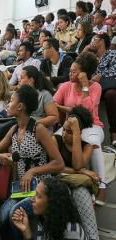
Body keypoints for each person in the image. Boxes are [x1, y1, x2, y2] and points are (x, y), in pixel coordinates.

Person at [0, 85, 64, 239]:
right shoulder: (14, 130)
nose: (8, 104)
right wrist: (3, 157)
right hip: (21, 190)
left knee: (13, 214)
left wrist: (32, 171)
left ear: (20, 106)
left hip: (40, 191)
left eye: (11, 101)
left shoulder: (39, 129)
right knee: (2, 217)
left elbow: (59, 163)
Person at [53, 51, 106, 201]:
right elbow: (54, 103)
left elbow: (86, 110)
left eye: (73, 71)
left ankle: (101, 186)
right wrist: (67, 110)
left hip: (92, 126)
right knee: (55, 139)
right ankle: (74, 173)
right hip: (68, 126)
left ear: (84, 73)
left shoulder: (95, 87)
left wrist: (84, 86)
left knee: (93, 143)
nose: (69, 73)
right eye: (69, 70)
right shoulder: (65, 86)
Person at [52, 106, 99, 239]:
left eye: (70, 131)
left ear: (80, 131)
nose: (65, 134)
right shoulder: (56, 140)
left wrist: (76, 134)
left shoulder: (87, 146)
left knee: (82, 193)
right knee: (63, 192)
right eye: (64, 129)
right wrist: (83, 171)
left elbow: (77, 164)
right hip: (59, 182)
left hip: (77, 184)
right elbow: (56, 168)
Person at [12, 178, 87, 240]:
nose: (32, 199)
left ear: (51, 202)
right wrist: (26, 231)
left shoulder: (71, 230)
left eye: (38, 196)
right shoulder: (44, 221)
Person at [86, 33, 116, 147]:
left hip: (106, 86)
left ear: (102, 41)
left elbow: (114, 71)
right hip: (91, 87)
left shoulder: (113, 54)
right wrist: (85, 50)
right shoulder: (89, 56)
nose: (92, 42)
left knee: (111, 94)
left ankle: (113, 133)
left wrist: (99, 76)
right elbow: (78, 67)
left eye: (95, 39)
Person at [19, 65, 59, 130]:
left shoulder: (45, 94)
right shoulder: (19, 94)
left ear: (31, 80)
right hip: (21, 128)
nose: (19, 80)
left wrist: (32, 124)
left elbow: (54, 118)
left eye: (22, 77)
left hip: (40, 130)